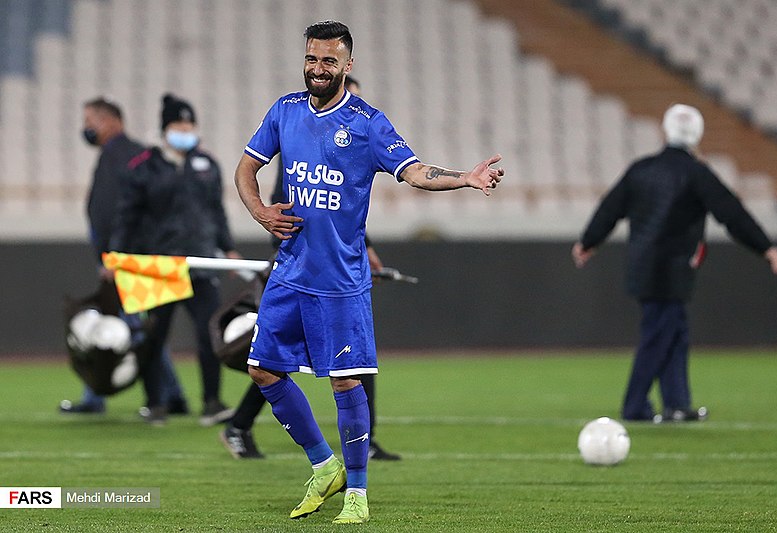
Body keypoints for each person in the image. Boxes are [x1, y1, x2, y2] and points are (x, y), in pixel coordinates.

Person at [233, 21, 503, 524]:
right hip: (290, 272)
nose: (318, 69)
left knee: (344, 382)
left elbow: (416, 171)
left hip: (339, 281)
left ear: (347, 65)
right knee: (262, 368)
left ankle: (356, 493)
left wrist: (464, 177)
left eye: (328, 61)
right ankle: (324, 466)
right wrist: (260, 213)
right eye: (312, 59)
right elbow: (245, 169)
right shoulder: (284, 111)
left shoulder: (368, 124)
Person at [220, 77, 401, 462]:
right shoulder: (298, 127)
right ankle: (240, 425)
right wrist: (266, 220)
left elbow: (340, 208)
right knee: (276, 361)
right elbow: (289, 202)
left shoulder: (358, 132)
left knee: (330, 361)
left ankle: (358, 445)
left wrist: (363, 247)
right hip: (297, 264)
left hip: (334, 268)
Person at [572, 103, 777, 424]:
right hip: (673, 269)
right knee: (659, 334)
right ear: (697, 134)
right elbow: (731, 213)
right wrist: (764, 246)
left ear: (665, 130)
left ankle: (677, 404)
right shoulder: (696, 173)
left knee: (674, 332)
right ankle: (635, 405)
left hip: (642, 265)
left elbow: (610, 207)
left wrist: (589, 242)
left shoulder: (641, 169)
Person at [109, 94, 241, 426]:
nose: (186, 130)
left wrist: (227, 247)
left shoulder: (207, 165)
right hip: (159, 266)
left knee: (210, 334)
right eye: (179, 125)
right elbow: (126, 216)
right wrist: (116, 253)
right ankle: (155, 403)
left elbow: (216, 212)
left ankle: (212, 402)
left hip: (200, 262)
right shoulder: (143, 167)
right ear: (165, 129)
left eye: (190, 124)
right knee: (154, 337)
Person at [60, 97, 187, 417]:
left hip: (127, 261)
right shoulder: (118, 155)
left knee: (136, 329)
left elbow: (121, 212)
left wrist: (114, 256)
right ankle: (170, 395)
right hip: (123, 259)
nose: (86, 127)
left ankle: (164, 396)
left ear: (111, 121)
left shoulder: (124, 157)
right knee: (130, 326)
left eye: (91, 120)